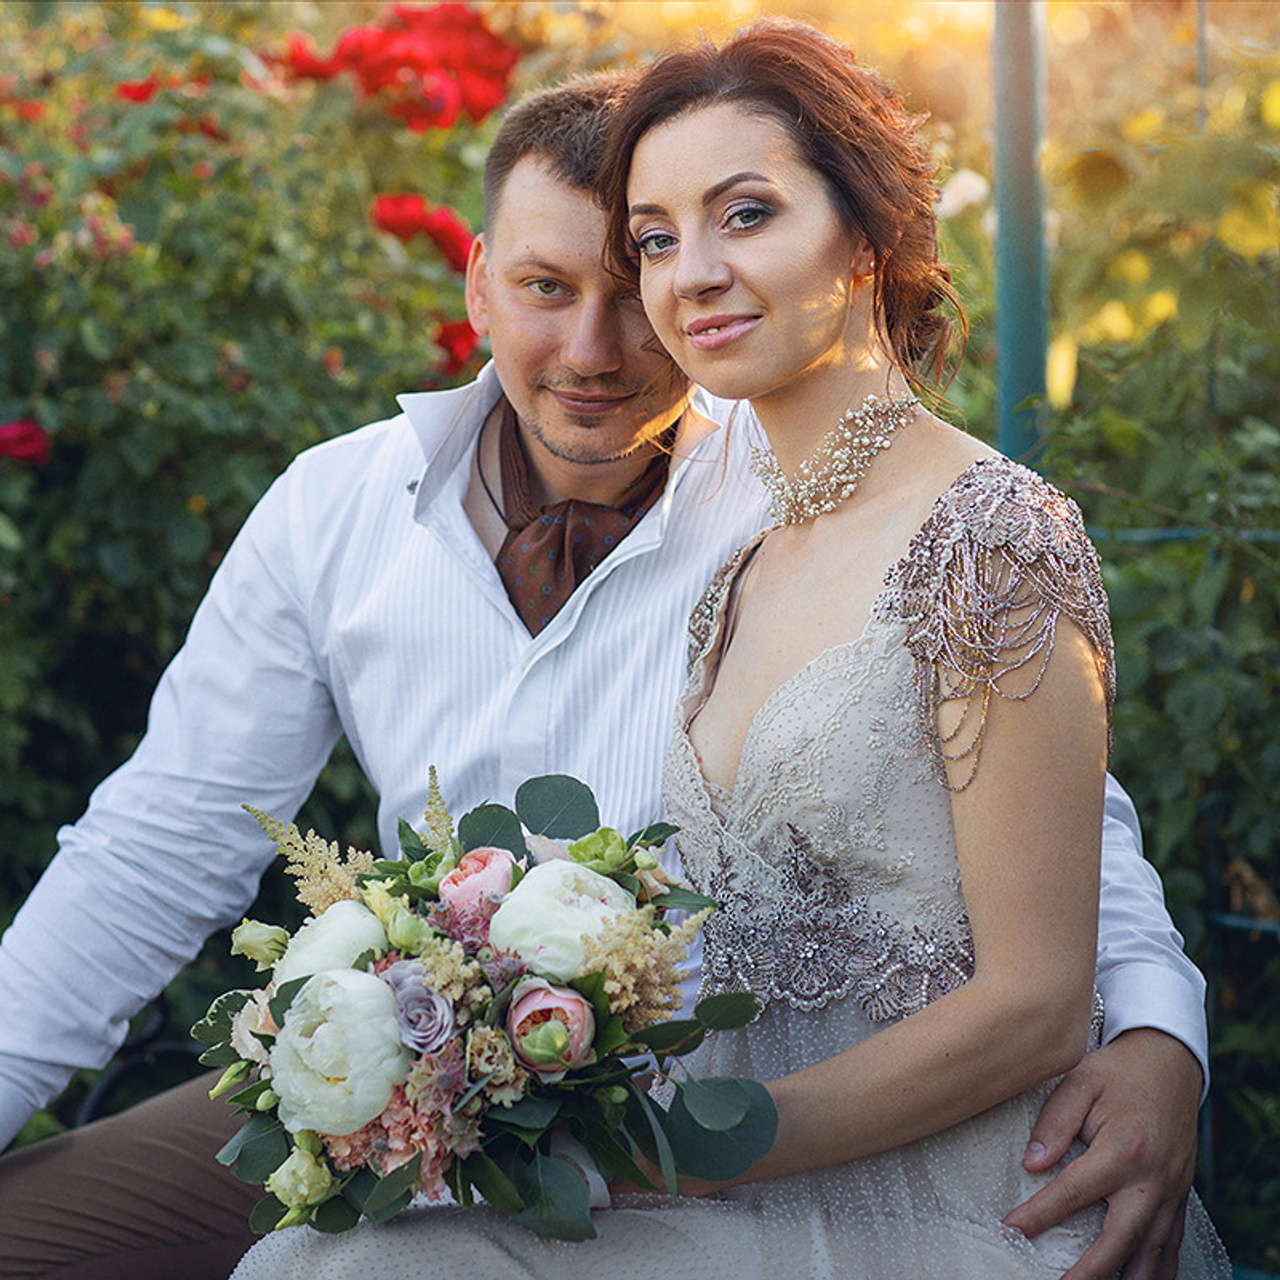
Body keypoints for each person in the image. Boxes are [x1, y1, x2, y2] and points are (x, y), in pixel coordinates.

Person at [0, 66, 1205, 1280]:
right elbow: (153, 847)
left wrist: (1158, 1029)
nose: (592, 348)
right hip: (424, 1076)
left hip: (705, 1105)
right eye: (545, 286)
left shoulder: (801, 496)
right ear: (476, 281)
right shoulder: (333, 508)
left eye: (629, 288)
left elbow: (1035, 819)